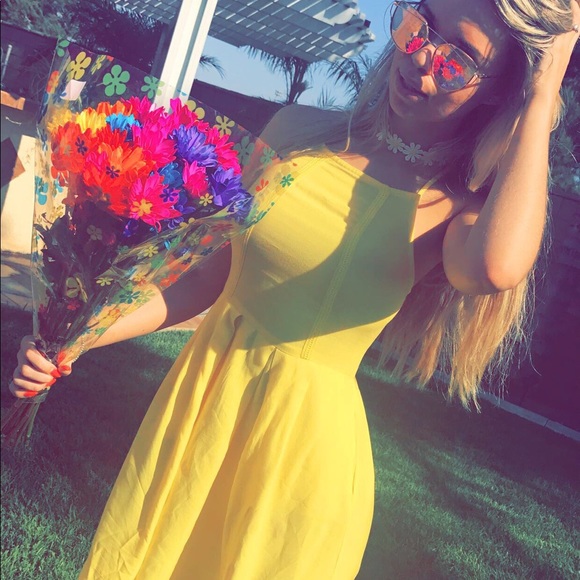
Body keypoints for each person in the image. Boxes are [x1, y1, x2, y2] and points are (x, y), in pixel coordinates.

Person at [9, 0, 579, 577]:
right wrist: (78, 338)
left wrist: (541, 93)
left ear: (496, 93)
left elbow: (496, 269)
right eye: (418, 25)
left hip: (296, 456)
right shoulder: (297, 132)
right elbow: (206, 278)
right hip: (198, 408)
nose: (422, 58)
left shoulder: (452, 210)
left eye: (457, 61)